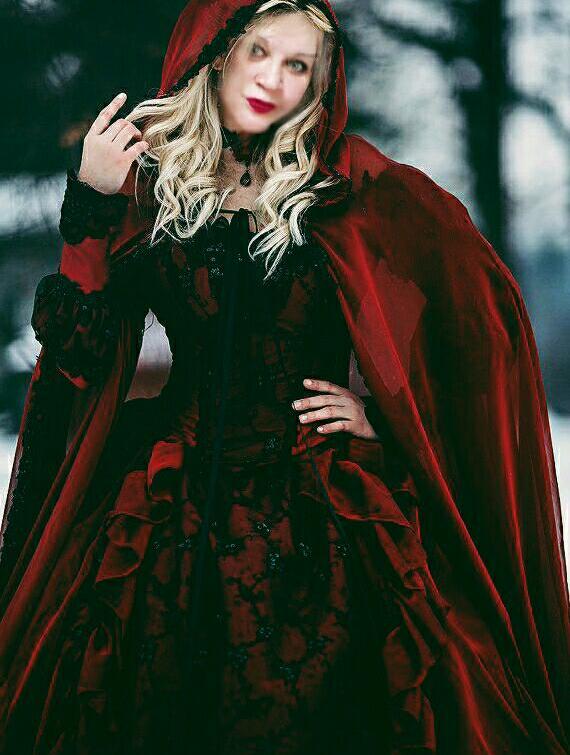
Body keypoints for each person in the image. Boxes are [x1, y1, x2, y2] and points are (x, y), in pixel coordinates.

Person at [1, 0, 569, 752]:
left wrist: (388, 413)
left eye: (298, 65)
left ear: (319, 82)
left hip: (322, 509)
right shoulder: (153, 185)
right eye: (259, 51)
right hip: (168, 504)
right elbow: (83, 353)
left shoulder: (355, 189)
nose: (273, 78)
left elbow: (474, 324)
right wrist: (94, 199)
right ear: (216, 54)